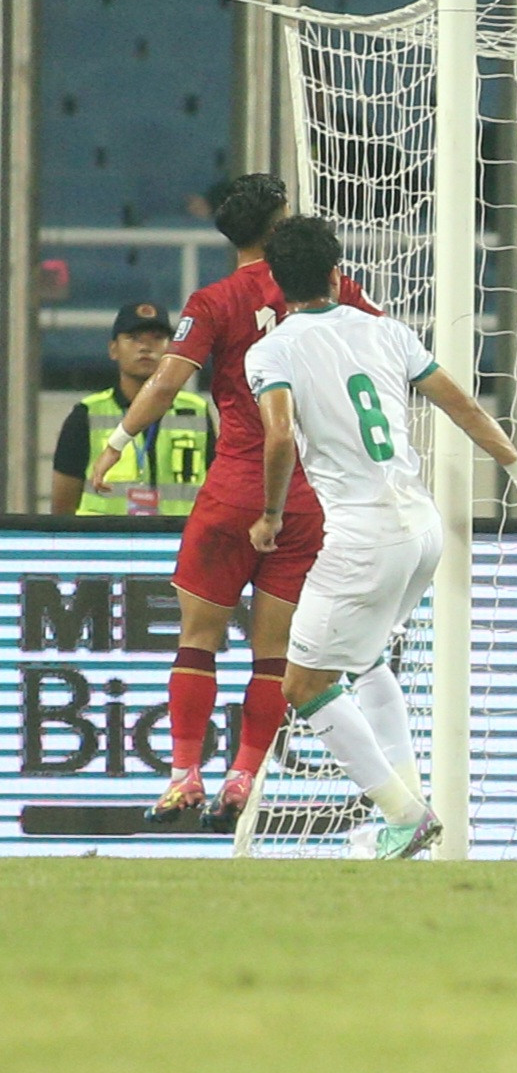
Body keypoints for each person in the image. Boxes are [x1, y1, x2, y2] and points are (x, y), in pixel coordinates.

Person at [245, 216, 517, 859]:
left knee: (303, 685)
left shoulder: (271, 349)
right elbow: (462, 404)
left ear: (275, 283)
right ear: (338, 274)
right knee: (364, 659)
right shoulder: (388, 331)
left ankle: (401, 813)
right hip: (422, 528)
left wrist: (271, 515)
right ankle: (409, 814)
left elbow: (278, 436)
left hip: (363, 538)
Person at [87, 173, 379, 831]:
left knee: (198, 640)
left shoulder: (214, 299)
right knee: (274, 655)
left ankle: (184, 777)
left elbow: (165, 383)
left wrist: (118, 441)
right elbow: (380, 347)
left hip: (231, 494)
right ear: (279, 227)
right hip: (304, 498)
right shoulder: (331, 290)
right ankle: (242, 781)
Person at [51, 303, 214, 515]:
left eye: (157, 338)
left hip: (178, 541)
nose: (146, 347)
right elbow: (63, 507)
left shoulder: (197, 412)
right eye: (134, 338)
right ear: (113, 349)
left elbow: (216, 488)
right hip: (105, 545)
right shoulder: (87, 415)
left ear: (172, 349)